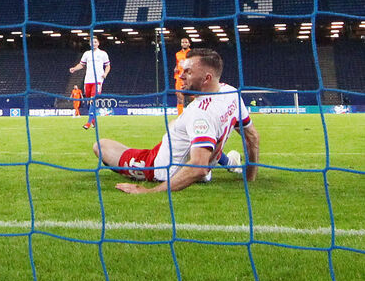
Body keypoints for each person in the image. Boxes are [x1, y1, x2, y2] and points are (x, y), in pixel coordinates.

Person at [93, 48, 259, 194]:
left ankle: (229, 162)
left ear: (206, 78)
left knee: (100, 146)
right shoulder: (230, 92)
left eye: (188, 72)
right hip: (200, 160)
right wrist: (250, 178)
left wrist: (149, 192)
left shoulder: (200, 113)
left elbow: (199, 167)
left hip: (161, 168)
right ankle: (229, 162)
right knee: (175, 125)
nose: (181, 76)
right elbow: (252, 137)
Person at [68, 36, 110, 130]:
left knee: (92, 100)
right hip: (88, 80)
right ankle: (94, 121)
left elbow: (107, 65)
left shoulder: (103, 54)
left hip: (98, 80)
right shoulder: (87, 54)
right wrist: (74, 68)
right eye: (92, 42)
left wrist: (105, 74)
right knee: (89, 102)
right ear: (90, 44)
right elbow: (82, 65)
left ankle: (88, 122)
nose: (94, 43)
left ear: (98, 43)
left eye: (95, 42)